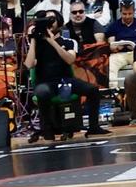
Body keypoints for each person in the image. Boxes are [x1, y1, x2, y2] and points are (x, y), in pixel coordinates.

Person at [26, 10, 104, 140]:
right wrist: (33, 40)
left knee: (93, 90)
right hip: (45, 82)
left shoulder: (68, 41)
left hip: (65, 81)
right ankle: (47, 129)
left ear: (59, 22)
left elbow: (69, 59)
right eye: (46, 20)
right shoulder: (37, 44)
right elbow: (29, 64)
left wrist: (51, 41)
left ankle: (94, 127)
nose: (49, 22)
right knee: (41, 91)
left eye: (52, 19)